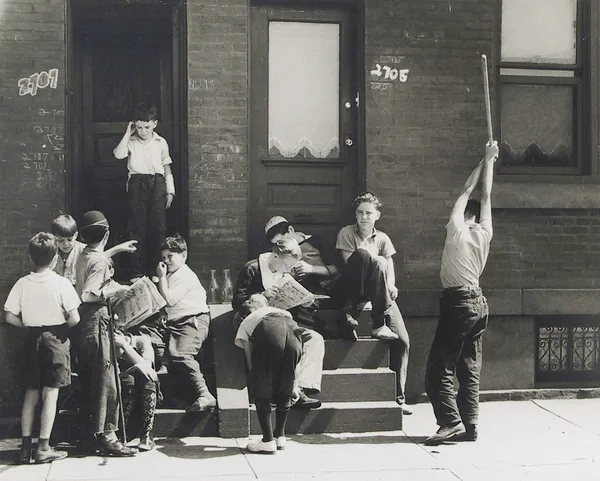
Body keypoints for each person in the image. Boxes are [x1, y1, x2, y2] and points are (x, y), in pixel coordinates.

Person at [424, 141, 498, 446]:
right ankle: (471, 423)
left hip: (458, 303)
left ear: (461, 216)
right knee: (469, 366)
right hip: (479, 304)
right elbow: (486, 196)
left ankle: (450, 423)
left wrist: (482, 160)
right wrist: (491, 162)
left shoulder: (456, 230)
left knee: (438, 367)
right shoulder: (485, 232)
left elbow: (468, 192)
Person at [4, 232, 81, 464]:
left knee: (31, 392)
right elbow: (75, 317)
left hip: (32, 339)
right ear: (56, 257)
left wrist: (28, 324)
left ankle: (25, 447)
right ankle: (44, 447)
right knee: (51, 394)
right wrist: (59, 329)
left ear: (30, 257)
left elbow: (9, 316)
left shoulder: (22, 283)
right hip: (55, 339)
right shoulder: (60, 283)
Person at [334, 192, 412, 414]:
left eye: (368, 213)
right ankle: (377, 323)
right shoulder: (347, 233)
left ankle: (399, 397)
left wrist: (392, 285)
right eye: (360, 213)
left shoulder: (383, 239)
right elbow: (352, 266)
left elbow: (389, 266)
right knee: (370, 258)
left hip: (380, 295)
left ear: (377, 215)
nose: (364, 217)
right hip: (354, 291)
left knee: (403, 341)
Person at [74, 211, 137, 456]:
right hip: (97, 321)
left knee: (91, 378)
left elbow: (96, 257)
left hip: (84, 324)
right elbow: (88, 293)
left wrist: (117, 249)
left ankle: (91, 434)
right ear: (107, 233)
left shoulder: (83, 254)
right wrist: (116, 290)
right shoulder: (99, 261)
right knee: (106, 379)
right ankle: (109, 436)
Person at [233, 238, 324, 409]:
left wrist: (303, 302)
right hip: (259, 323)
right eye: (286, 265)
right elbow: (237, 301)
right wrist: (263, 295)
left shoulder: (287, 273)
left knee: (315, 339)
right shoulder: (253, 268)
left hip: (285, 321)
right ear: (275, 256)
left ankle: (299, 389)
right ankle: (285, 392)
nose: (288, 270)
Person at [113, 103, 176, 280]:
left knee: (157, 228)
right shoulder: (131, 142)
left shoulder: (160, 142)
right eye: (139, 127)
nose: (143, 131)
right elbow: (118, 155)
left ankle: (155, 270)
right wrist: (128, 133)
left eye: (147, 127)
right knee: (136, 228)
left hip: (157, 183)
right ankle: (137, 271)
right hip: (137, 184)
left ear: (154, 124)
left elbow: (167, 168)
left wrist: (170, 190)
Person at [155, 234, 217, 412]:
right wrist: (162, 313)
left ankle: (205, 394)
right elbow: (165, 303)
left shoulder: (185, 275)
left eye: (170, 257)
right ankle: (171, 395)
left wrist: (160, 277)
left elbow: (170, 299)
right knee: (161, 349)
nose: (166, 261)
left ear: (183, 255)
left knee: (182, 355)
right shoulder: (172, 275)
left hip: (193, 320)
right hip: (176, 322)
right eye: (164, 258)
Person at [235, 294, 302, 454]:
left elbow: (250, 359)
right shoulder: (283, 312)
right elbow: (296, 363)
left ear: (248, 310)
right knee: (286, 386)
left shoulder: (248, 320)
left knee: (262, 387)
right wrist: (295, 383)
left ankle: (267, 439)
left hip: (268, 332)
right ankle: (280, 436)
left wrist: (257, 379)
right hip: (294, 330)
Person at [51, 214, 138, 285]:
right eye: (60, 240)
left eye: (69, 239)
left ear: (76, 235)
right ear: (54, 238)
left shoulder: (83, 249)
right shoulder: (51, 252)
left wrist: (119, 248)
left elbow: (97, 258)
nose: (65, 244)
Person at [114, 330, 158, 451]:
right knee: (128, 380)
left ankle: (147, 434)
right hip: (124, 393)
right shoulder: (108, 346)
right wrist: (135, 368)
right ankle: (122, 431)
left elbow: (148, 368)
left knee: (148, 378)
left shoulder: (142, 341)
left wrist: (125, 346)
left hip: (145, 393)